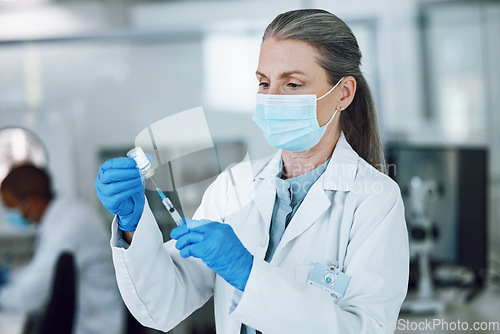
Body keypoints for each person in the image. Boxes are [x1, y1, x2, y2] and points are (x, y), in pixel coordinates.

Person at [95, 9, 409, 334]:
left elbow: (365, 329)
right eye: (264, 82)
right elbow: (164, 303)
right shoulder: (234, 186)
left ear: (343, 93)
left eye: (292, 84)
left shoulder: (374, 201)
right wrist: (133, 225)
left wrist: (246, 272)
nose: (271, 98)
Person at [0, 164, 125, 334]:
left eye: (11, 207)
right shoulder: (62, 215)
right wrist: (11, 278)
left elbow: (29, 296)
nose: (11, 215)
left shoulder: (68, 227)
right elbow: (36, 273)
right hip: (93, 317)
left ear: (31, 202)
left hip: (100, 325)